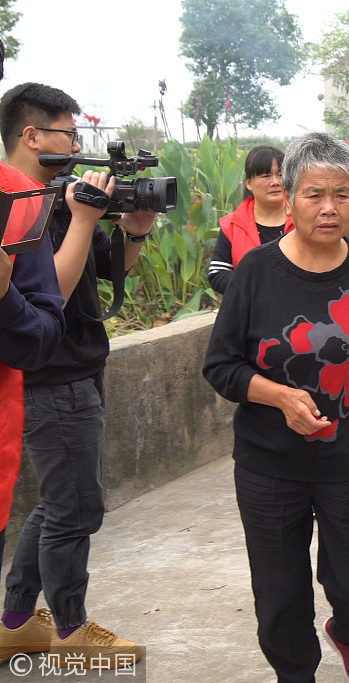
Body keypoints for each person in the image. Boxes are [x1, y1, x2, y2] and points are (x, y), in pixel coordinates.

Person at [204, 132, 349, 683]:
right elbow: (221, 366)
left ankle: (348, 632)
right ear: (289, 197)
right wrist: (278, 395)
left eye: (341, 194)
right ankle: (295, 673)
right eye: (314, 194)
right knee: (280, 593)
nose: (329, 208)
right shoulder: (256, 271)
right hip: (269, 463)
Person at [0, 83, 155, 668]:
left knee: (57, 502)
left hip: (84, 364)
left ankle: (16, 621)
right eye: (67, 134)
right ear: (30, 135)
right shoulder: (18, 209)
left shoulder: (63, 199)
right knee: (75, 510)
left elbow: (108, 272)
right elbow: (49, 301)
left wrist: (133, 230)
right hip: (52, 374)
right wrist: (86, 218)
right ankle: (70, 631)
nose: (76, 145)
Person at [0, 40, 67, 661]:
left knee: (73, 506)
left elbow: (42, 335)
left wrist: (4, 295)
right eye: (65, 135)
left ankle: (51, 625)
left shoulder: (20, 203)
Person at [208, 145, 293, 294]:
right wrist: (258, 286)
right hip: (250, 306)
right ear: (248, 183)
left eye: (280, 174)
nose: (275, 182)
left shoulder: (304, 220)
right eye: (266, 176)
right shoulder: (233, 225)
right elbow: (217, 274)